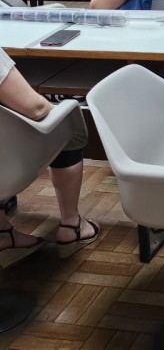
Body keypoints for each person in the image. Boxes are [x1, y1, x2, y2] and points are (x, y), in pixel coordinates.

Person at [0, 49, 99, 263]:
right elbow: (36, 109)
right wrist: (54, 107)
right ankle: (72, 225)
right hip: (8, 169)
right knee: (67, 120)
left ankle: (2, 231)